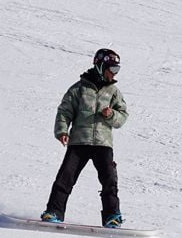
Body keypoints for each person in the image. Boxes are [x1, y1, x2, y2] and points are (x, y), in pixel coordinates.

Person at [41, 49, 129, 228]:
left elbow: (122, 116)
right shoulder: (79, 89)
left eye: (117, 70)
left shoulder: (113, 92)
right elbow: (64, 111)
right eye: (112, 69)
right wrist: (62, 131)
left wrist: (111, 114)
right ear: (100, 66)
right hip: (79, 141)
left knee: (109, 180)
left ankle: (112, 216)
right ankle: (54, 212)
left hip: (103, 144)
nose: (114, 74)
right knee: (65, 177)